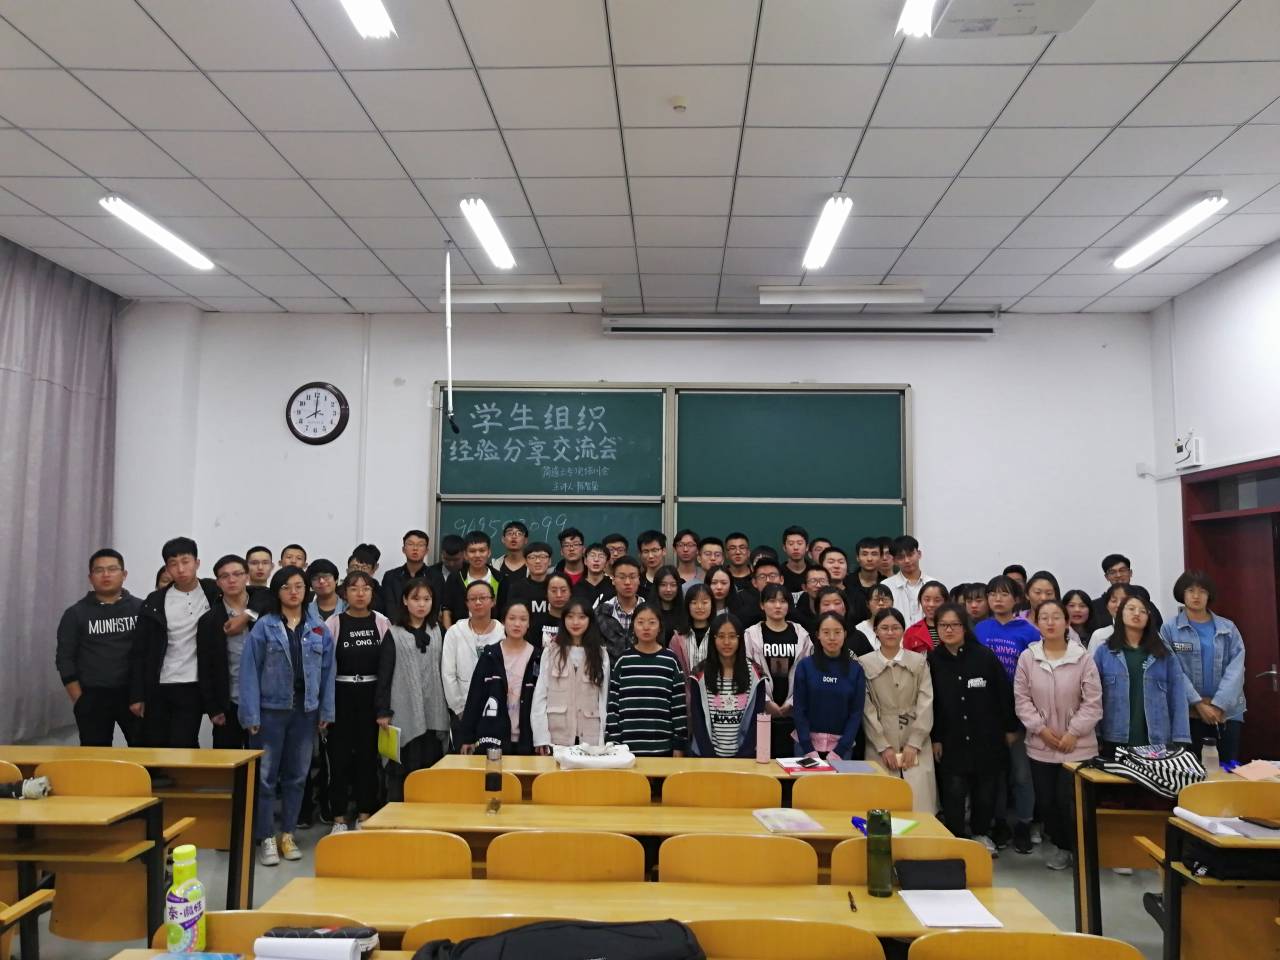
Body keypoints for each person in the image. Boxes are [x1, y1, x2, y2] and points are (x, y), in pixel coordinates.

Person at [240, 565, 335, 866]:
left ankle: (288, 834)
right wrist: (251, 714)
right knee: (266, 778)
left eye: (299, 586)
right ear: (276, 591)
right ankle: (266, 836)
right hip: (270, 712)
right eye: (286, 587)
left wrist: (326, 710)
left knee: (297, 776)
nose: (294, 592)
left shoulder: (318, 628)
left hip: (305, 712)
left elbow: (328, 672)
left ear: (307, 590)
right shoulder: (264, 626)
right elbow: (249, 671)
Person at [1014, 599, 1102, 870]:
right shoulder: (1028, 658)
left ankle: (1083, 851)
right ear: (1036, 623)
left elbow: (1093, 702)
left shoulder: (1083, 658)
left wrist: (1073, 733)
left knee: (1073, 803)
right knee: (1048, 803)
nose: (1050, 622)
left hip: (1078, 747)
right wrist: (1040, 729)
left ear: (1067, 622)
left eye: (1056, 617)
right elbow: (1022, 699)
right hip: (1041, 745)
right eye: (1044, 618)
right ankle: (1063, 848)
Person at [929, 603, 1017, 856]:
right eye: (943, 625)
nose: (949, 630)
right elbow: (930, 704)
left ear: (965, 627)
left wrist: (1010, 729)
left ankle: (981, 833)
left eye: (954, 625)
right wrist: (935, 738)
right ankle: (956, 836)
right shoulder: (932, 661)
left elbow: (1003, 694)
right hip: (951, 739)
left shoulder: (984, 657)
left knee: (985, 791)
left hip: (986, 737)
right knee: (953, 791)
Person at [974, 574, 1041, 853]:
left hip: (1020, 712)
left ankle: (1024, 823)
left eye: (1004, 594)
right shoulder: (979, 629)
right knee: (995, 774)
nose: (997, 599)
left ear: (1016, 599)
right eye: (992, 594)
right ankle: (999, 822)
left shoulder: (1029, 632)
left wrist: (1018, 723)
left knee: (1021, 774)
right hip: (987, 712)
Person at [134, 537, 221, 749]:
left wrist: (247, 614)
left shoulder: (214, 592)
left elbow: (256, 596)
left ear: (197, 563)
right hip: (160, 682)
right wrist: (136, 694)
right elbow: (140, 650)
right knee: (156, 744)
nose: (180, 569)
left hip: (194, 682)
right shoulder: (155, 601)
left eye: (185, 561)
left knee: (183, 743)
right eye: (173, 564)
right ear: (167, 568)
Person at [321, 571, 389, 832]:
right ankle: (338, 817)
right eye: (354, 588)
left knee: (368, 758)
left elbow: (387, 666)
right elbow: (325, 667)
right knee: (338, 759)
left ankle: (364, 814)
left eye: (366, 588)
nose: (360, 594)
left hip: (371, 697)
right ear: (344, 593)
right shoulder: (334, 623)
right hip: (341, 695)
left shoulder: (381, 622)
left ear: (372, 592)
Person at [56, 548, 144, 747]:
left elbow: (150, 653)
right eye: (99, 570)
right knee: (95, 757)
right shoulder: (75, 614)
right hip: (92, 696)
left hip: (134, 695)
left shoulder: (141, 609)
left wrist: (144, 693)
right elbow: (64, 658)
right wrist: (79, 699)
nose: (106, 575)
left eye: (112, 569)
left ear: (124, 574)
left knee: (145, 753)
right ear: (90, 577)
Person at [1160, 571, 1246, 765]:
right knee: (1191, 770)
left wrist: (1218, 704)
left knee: (1226, 769)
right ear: (1182, 594)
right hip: (1187, 713)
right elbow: (1173, 670)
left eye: (1202, 591)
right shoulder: (1169, 629)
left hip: (1226, 713)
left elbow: (1236, 669)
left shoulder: (1228, 628)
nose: (1196, 596)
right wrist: (1198, 704)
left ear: (1209, 595)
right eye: (1190, 590)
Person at [375, 577, 448, 801]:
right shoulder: (394, 633)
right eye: (416, 599)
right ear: (405, 601)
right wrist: (383, 710)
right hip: (403, 710)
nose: (422, 604)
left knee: (430, 769)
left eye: (427, 599)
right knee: (402, 769)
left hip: (433, 710)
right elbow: (384, 674)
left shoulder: (438, 630)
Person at [860, 608, 937, 811]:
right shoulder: (864, 663)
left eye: (895, 628)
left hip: (916, 739)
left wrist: (915, 742)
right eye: (884, 628)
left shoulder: (918, 662)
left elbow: (926, 702)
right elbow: (866, 709)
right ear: (876, 631)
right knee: (881, 804)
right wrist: (882, 745)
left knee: (920, 804)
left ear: (903, 630)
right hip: (880, 739)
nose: (890, 632)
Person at [1094, 595, 1190, 756]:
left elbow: (1178, 697)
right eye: (1131, 609)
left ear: (1149, 618)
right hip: (1114, 738)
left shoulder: (1163, 654)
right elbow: (1093, 697)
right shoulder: (1104, 652)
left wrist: (1180, 738)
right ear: (1120, 614)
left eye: (1143, 611)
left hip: (1156, 741)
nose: (1137, 613)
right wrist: (1095, 734)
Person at [459, 601, 539, 756]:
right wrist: (467, 737)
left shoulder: (538, 657)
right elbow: (475, 696)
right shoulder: (490, 655)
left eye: (523, 619)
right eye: (512, 618)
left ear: (529, 623)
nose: (517, 624)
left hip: (528, 738)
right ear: (503, 621)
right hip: (493, 736)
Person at [606, 604, 687, 756]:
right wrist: (614, 742)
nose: (646, 627)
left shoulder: (671, 661)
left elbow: (679, 708)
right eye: (640, 622)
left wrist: (679, 744)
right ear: (633, 626)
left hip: (662, 748)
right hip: (625, 750)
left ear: (660, 626)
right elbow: (613, 707)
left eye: (652, 622)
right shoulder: (623, 661)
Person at [196, 554, 258, 750]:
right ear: (218, 582)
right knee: (229, 760)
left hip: (263, 702)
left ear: (247, 576)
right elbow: (205, 667)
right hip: (229, 702)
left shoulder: (263, 609)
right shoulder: (209, 620)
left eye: (237, 574)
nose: (232, 580)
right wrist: (212, 707)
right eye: (224, 576)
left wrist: (248, 614)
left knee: (262, 762)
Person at [532, 598, 610, 752]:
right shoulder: (550, 652)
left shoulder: (601, 654)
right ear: (563, 619)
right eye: (570, 616)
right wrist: (541, 737)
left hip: (590, 738)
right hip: (556, 738)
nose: (575, 622)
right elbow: (540, 696)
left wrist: (602, 739)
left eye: (582, 617)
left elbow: (603, 699)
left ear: (590, 620)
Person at [745, 583, 813, 756]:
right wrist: (766, 701)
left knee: (792, 762)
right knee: (763, 760)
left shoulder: (801, 634)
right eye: (772, 601)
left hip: (794, 712)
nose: (777, 606)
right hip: (760, 711)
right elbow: (747, 671)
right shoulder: (751, 635)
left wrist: (792, 702)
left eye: (783, 601)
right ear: (762, 605)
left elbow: (808, 672)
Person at [688, 612, 766, 758]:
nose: (726, 642)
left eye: (732, 636)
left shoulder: (756, 674)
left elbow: (757, 719)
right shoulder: (699, 674)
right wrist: (710, 758)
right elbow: (697, 720)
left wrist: (743, 757)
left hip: (745, 758)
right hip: (706, 758)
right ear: (713, 639)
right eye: (721, 636)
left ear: (740, 639)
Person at [792, 612, 867, 762]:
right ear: (818, 635)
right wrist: (808, 748)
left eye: (837, 632)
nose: (832, 638)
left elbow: (856, 713)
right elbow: (799, 709)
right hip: (805, 747)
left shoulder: (856, 670)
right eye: (826, 632)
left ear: (845, 634)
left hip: (841, 749)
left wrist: (840, 750)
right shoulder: (805, 666)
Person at [441, 580, 504, 746]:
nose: (478, 602)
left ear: (493, 601)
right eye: (473, 598)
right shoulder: (454, 632)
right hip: (462, 710)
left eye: (483, 597)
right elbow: (448, 674)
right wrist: (460, 709)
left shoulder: (503, 633)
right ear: (466, 603)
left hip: (496, 711)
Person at [441, 531, 499, 629]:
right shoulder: (455, 578)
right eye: (472, 551)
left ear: (489, 552)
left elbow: (506, 612)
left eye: (482, 550)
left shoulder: (500, 578)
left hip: (493, 634)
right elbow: (447, 609)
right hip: (460, 634)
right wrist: (449, 633)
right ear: (465, 554)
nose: (477, 555)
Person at [381, 530, 439, 624]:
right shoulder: (390, 576)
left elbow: (435, 608)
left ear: (426, 551)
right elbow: (389, 607)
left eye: (420, 545)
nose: (415, 548)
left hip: (426, 627)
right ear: (403, 549)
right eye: (410, 544)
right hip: (397, 627)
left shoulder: (436, 576)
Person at [597, 556, 644, 662]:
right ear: (613, 580)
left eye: (632, 577)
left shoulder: (650, 612)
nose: (627, 582)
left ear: (639, 580)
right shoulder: (601, 612)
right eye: (622, 577)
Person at [883, 535, 935, 626]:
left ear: (919, 554)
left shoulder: (933, 585)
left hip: (927, 634)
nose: (907, 560)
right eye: (901, 557)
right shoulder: (886, 586)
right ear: (894, 561)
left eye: (910, 555)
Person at [669, 582, 714, 676]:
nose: (700, 607)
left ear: (712, 605)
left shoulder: (719, 634)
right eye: (694, 602)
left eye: (704, 602)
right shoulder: (678, 638)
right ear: (687, 605)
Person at [496, 541, 551, 616]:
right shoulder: (517, 588)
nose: (538, 561)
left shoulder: (557, 586)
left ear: (550, 561)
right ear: (526, 562)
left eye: (543, 557)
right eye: (532, 557)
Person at [729, 555, 784, 629]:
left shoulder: (789, 607)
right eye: (762, 577)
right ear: (754, 582)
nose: (768, 580)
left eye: (772, 576)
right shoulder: (745, 615)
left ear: (781, 580)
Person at [531, 571, 573, 650]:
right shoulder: (536, 622)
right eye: (554, 591)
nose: (559, 595)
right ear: (546, 593)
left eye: (563, 590)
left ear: (570, 592)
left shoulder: (576, 622)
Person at [903, 580, 948, 654]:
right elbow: (907, 659)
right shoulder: (911, 632)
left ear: (945, 602)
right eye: (927, 600)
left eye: (937, 600)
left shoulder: (955, 628)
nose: (931, 604)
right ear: (920, 601)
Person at [1085, 583, 1129, 654]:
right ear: (1107, 606)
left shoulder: (1145, 634)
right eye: (1114, 601)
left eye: (1124, 601)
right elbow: (1092, 661)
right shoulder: (1099, 635)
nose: (1118, 605)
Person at [854, 583, 893, 653]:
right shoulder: (859, 629)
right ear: (868, 604)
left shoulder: (899, 627)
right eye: (876, 599)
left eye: (885, 599)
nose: (881, 603)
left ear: (892, 603)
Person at [575, 543, 615, 610]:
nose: (596, 559)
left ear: (606, 563)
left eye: (601, 556)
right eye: (592, 555)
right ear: (585, 561)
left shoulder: (613, 586)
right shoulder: (576, 588)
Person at [652, 565, 685, 645]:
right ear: (657, 587)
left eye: (673, 585)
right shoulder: (649, 612)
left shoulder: (685, 612)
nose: (668, 589)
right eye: (663, 585)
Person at [791, 565, 829, 635]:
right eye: (813, 581)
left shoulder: (836, 611)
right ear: (804, 587)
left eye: (822, 581)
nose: (818, 585)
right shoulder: (797, 618)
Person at [850, 537, 884, 610]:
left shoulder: (887, 583)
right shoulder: (846, 583)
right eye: (864, 554)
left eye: (874, 554)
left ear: (881, 557)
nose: (869, 559)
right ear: (857, 557)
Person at [636, 529, 667, 597]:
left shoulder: (676, 581)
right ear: (640, 554)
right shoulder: (637, 583)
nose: (650, 556)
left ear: (664, 551)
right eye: (646, 551)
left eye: (654, 550)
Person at [781, 526, 810, 597]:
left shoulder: (814, 572)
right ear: (784, 548)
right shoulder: (778, 573)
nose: (796, 548)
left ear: (807, 547)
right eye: (791, 544)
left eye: (800, 543)